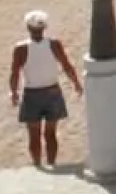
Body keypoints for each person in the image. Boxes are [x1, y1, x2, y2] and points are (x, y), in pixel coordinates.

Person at [9, 11, 82, 168]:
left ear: (28, 27)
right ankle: (52, 162)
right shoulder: (54, 44)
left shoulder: (20, 48)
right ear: (45, 27)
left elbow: (15, 72)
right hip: (52, 92)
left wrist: (14, 92)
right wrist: (76, 83)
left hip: (32, 94)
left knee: (34, 135)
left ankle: (37, 165)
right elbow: (67, 66)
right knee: (51, 133)